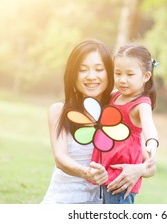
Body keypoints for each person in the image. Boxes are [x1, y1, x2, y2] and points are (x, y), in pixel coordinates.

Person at [41, 39, 155, 204]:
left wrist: (137, 170)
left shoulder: (118, 110)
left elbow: (150, 164)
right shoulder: (59, 110)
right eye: (83, 70)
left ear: (109, 72)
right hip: (64, 199)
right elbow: (60, 158)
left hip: (103, 202)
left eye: (99, 69)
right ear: (73, 74)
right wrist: (86, 173)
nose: (91, 76)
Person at [92, 43, 159, 204]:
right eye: (118, 73)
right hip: (105, 173)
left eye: (130, 74)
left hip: (121, 178)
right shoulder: (114, 97)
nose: (122, 80)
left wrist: (152, 143)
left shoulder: (141, 104)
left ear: (146, 76)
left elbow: (149, 126)